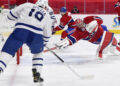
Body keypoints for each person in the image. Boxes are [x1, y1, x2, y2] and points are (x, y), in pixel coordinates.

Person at [0, 0, 53, 85]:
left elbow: (11, 16)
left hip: (21, 30)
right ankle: (37, 74)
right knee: (38, 52)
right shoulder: (47, 15)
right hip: (36, 35)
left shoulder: (27, 5)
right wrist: (43, 44)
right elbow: (47, 35)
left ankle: (0, 67)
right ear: (45, 7)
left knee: (8, 51)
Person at [55, 16, 120, 59]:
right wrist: (65, 43)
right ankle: (101, 52)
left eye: (81, 24)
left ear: (83, 22)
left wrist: (94, 23)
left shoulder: (87, 19)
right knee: (107, 41)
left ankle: (113, 47)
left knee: (113, 40)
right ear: (77, 26)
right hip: (95, 40)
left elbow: (100, 20)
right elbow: (72, 39)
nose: (81, 26)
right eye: (79, 25)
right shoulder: (77, 32)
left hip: (102, 31)